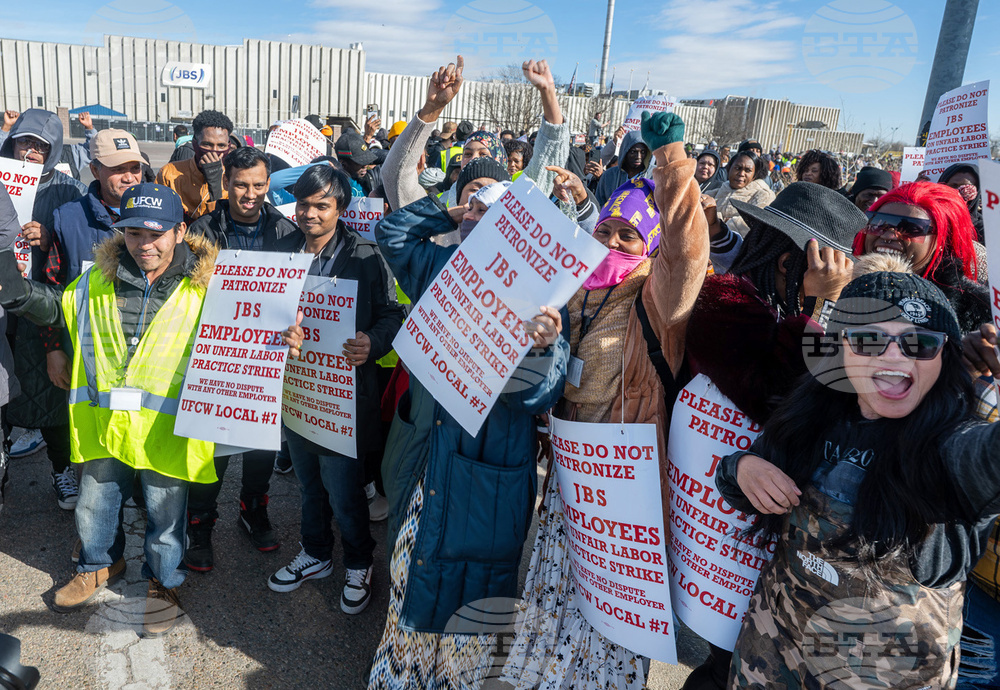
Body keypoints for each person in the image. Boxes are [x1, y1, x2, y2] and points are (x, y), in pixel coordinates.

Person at [0, 182, 304, 636]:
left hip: (168, 427)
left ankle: (165, 583)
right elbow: (61, 307)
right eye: (134, 233)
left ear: (179, 231)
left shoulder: (212, 286)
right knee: (94, 504)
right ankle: (98, 565)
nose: (145, 244)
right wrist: (20, 292)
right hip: (107, 422)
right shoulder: (96, 280)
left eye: (156, 234)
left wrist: (283, 336)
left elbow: (252, 331)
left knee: (166, 516)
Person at [368, 65, 567, 687]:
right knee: (409, 575)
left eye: (494, 212)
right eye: (474, 210)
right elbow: (389, 230)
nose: (481, 220)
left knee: (470, 595)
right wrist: (448, 211)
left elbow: (542, 392)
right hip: (424, 450)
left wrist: (543, 346)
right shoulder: (437, 266)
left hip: (488, 463)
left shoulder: (540, 295)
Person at [717, 265, 1000, 688]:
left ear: (945, 356)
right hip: (770, 657)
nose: (894, 357)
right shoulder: (811, 418)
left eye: (920, 343)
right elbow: (736, 485)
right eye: (869, 340)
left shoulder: (952, 449)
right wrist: (742, 468)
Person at [502, 111, 709, 689]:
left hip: (625, 480)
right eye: (606, 230)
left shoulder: (659, 297)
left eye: (629, 235)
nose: (613, 242)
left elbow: (687, 253)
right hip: (570, 470)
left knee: (614, 604)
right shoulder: (574, 288)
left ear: (649, 244)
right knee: (557, 588)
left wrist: (671, 161)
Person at [681, 182, 865, 689]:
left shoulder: (774, 305)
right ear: (789, 265)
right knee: (726, 666)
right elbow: (780, 392)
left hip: (769, 537)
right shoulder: (726, 302)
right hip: (722, 534)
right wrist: (822, 308)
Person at [266, 165, 404, 614]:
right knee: (308, 485)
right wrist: (279, 333)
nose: (309, 214)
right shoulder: (282, 250)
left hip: (344, 397)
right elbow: (264, 311)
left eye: (321, 206)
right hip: (296, 391)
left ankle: (359, 563)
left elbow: (392, 315)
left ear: (340, 208)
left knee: (344, 491)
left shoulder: (366, 255)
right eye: (303, 204)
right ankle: (316, 553)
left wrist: (372, 343)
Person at [181, 146, 300, 572]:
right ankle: (200, 524)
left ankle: (253, 509)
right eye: (241, 185)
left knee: (261, 447)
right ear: (226, 183)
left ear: (268, 185)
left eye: (258, 185)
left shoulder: (287, 232)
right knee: (210, 449)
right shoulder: (201, 230)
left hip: (266, 360)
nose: (250, 194)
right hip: (215, 357)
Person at [40, 130, 145, 508]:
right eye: (118, 169)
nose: (129, 177)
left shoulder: (159, 215)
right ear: (95, 169)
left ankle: (136, 492)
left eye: (135, 167)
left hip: (141, 354)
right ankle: (95, 513)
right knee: (91, 441)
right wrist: (54, 349)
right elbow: (52, 289)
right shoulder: (68, 218)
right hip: (86, 354)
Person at [0, 109, 87, 504]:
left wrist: (50, 238)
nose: (30, 152)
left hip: (40, 307)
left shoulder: (69, 190)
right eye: (25, 142)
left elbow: (80, 251)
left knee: (51, 398)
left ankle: (61, 469)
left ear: (52, 151)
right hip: (3, 309)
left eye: (40, 146)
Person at [852, 182, 987, 334]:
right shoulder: (837, 280)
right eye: (878, 223)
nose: (888, 235)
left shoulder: (977, 313)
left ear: (943, 241)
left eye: (910, 228)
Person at [156, 110, 234, 222]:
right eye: (207, 144)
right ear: (194, 143)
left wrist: (215, 186)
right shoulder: (169, 173)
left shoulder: (234, 178)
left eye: (221, 145)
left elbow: (225, 224)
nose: (214, 151)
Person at [708, 151, 775, 236]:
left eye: (748, 170)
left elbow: (753, 224)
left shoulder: (764, 195)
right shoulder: (715, 192)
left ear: (754, 175)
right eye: (737, 168)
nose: (741, 174)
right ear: (729, 169)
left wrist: (717, 221)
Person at [594, 130, 651, 207]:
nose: (638, 156)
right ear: (625, 152)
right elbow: (598, 204)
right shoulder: (609, 176)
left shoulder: (654, 176)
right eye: (633, 152)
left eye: (643, 152)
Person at [939, 163, 983, 242]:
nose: (958, 192)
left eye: (967, 188)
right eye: (953, 186)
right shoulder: (927, 219)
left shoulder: (984, 228)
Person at [334, 131, 379, 197]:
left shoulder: (368, 179)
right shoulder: (335, 187)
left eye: (366, 160)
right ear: (343, 163)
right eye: (360, 162)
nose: (365, 165)